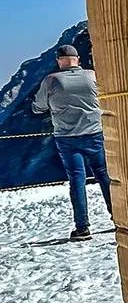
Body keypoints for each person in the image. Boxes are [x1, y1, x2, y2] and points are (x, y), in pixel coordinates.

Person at [31, 44, 112, 240]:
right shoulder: (92, 76)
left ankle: (82, 228)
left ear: (59, 61)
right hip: (94, 133)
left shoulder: (51, 80)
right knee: (104, 175)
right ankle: (119, 217)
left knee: (77, 180)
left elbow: (38, 107)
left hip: (67, 138)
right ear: (78, 59)